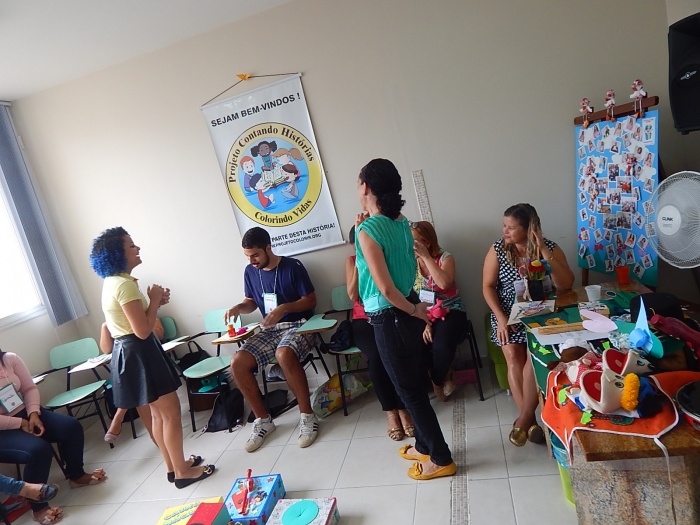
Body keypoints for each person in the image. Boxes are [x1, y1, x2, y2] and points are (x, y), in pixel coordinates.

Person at [354, 158, 455, 481]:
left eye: (358, 184)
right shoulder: (402, 222)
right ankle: (424, 446)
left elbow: (384, 288)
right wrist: (414, 309)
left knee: (409, 392)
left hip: (390, 316)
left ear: (366, 187)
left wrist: (413, 311)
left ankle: (440, 458)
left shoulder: (367, 230)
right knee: (414, 385)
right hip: (406, 310)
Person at [90, 227, 214, 488]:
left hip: (131, 352)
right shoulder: (124, 285)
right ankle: (183, 473)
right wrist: (154, 300)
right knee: (170, 414)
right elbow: (143, 331)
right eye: (131, 245)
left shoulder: (113, 281)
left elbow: (135, 322)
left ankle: (173, 467)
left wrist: (154, 303)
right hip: (140, 351)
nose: (137, 248)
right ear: (118, 253)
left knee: (158, 416)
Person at [482, 203, 574, 447]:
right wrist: (501, 319)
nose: (505, 231)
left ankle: (523, 420)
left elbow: (566, 284)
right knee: (513, 354)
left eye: (511, 227)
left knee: (533, 356)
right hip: (507, 313)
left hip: (541, 312)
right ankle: (531, 420)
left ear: (529, 229)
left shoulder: (550, 248)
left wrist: (542, 248)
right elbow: (487, 287)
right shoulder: (498, 249)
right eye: (504, 226)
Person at [224, 226, 320, 453]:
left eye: (255, 255)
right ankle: (263, 420)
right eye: (247, 256)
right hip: (270, 328)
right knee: (237, 362)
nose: (252, 261)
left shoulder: (293, 266)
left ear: (268, 247)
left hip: (299, 324)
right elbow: (251, 302)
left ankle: (308, 417)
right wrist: (238, 307)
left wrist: (284, 308)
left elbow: (311, 300)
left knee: (283, 354)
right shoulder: (250, 271)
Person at [0, 348, 106, 525]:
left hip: (28, 413)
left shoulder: (9, 359)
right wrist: (20, 423)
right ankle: (38, 507)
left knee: (71, 427)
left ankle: (76, 475)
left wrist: (33, 413)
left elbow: (29, 388)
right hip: (3, 430)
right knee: (38, 449)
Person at [346, 226, 415, 441]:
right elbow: (352, 295)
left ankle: (403, 409)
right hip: (363, 320)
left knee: (394, 355)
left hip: (386, 313)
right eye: (357, 246)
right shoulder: (351, 261)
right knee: (376, 358)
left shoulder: (384, 256)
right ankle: (391, 412)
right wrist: (360, 263)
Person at [410, 220, 468, 401]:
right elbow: (409, 294)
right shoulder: (410, 262)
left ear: (427, 242)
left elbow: (444, 283)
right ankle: (445, 374)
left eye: (414, 242)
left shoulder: (445, 258)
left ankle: (437, 380)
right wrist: (425, 322)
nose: (411, 246)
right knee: (414, 343)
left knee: (441, 344)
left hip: (450, 310)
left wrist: (426, 258)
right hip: (423, 313)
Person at [99, 322, 154, 444]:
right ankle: (120, 416)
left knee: (132, 377)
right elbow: (107, 349)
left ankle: (119, 415)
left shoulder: (143, 314)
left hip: (150, 358)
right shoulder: (115, 321)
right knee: (134, 378)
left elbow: (158, 334)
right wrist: (105, 326)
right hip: (135, 367)